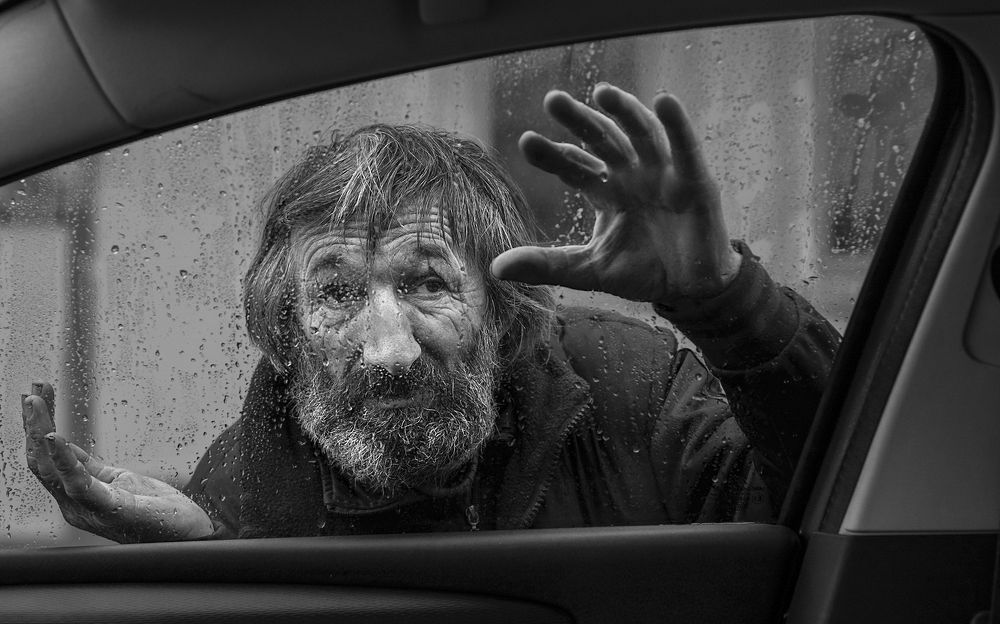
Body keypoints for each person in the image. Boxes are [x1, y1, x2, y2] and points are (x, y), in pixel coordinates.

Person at [20, 84, 839, 542]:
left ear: (502, 313)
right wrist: (207, 556)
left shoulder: (633, 389)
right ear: (288, 332)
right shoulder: (245, 482)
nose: (388, 350)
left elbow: (833, 504)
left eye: (425, 284)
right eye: (338, 294)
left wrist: (727, 302)